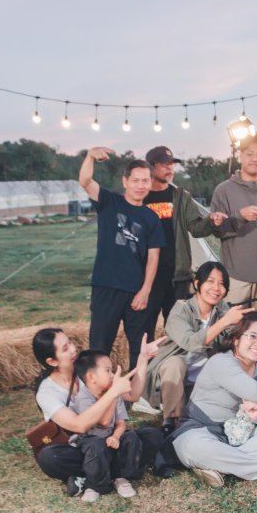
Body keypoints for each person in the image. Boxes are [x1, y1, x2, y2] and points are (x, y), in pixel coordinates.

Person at [171, 312, 257, 487]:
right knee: (193, 446)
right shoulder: (221, 362)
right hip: (200, 430)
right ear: (236, 339)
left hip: (239, 435)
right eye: (252, 336)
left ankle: (220, 464)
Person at [31, 328, 166, 501]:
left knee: (152, 435)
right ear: (52, 361)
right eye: (65, 348)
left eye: (70, 342)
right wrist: (113, 392)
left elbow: (132, 395)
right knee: (49, 457)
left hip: (111, 441)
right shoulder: (47, 392)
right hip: (83, 448)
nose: (73, 349)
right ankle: (112, 472)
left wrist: (143, 358)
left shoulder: (88, 369)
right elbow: (79, 425)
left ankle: (93, 477)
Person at [78, 148, 166, 369]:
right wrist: (90, 156)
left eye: (145, 181)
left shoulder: (151, 217)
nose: (140, 185)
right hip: (106, 286)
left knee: (140, 347)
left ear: (150, 183)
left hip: (136, 291)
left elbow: (154, 257)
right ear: (125, 181)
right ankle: (98, 386)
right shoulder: (109, 201)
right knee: (99, 346)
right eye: (135, 180)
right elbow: (85, 181)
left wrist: (145, 290)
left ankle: (139, 388)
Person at [143, 261, 247, 434]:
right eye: (210, 281)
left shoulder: (223, 310)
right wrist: (224, 322)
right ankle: (171, 421)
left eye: (222, 284)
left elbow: (232, 343)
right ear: (197, 283)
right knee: (175, 363)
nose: (216, 288)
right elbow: (190, 342)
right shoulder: (181, 309)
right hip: (172, 381)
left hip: (202, 381)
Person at [141, 145, 218, 334]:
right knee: (143, 330)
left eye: (172, 164)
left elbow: (197, 229)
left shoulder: (181, 197)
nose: (170, 168)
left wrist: (210, 221)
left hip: (177, 277)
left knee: (178, 330)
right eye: (164, 164)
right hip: (146, 277)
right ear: (150, 167)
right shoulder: (140, 197)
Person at [206, 133, 257, 309]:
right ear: (240, 155)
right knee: (233, 324)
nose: (255, 159)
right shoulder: (223, 190)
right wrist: (239, 216)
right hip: (236, 277)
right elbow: (217, 230)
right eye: (249, 154)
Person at [69, 349, 148, 500]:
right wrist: (114, 392)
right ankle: (95, 485)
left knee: (133, 437)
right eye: (108, 371)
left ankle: (121, 478)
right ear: (91, 377)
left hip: (111, 438)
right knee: (96, 446)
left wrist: (116, 437)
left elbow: (120, 423)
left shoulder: (113, 392)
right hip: (91, 441)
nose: (112, 375)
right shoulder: (83, 397)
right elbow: (104, 422)